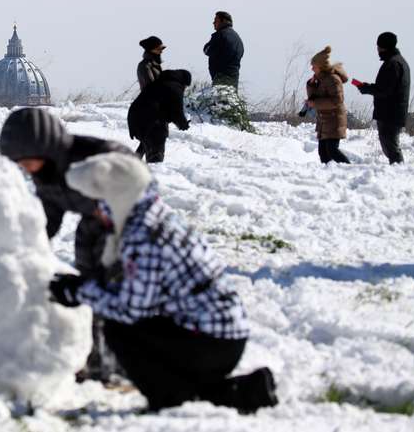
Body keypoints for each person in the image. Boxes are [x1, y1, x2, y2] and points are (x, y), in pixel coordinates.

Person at [49, 152, 278, 413]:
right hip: (220, 333)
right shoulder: (155, 214)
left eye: (99, 203)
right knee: (140, 331)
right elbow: (140, 293)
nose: (95, 213)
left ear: (117, 198)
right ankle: (245, 392)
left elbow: (130, 309)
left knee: (118, 329)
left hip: (211, 341)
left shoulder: (141, 235)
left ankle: (170, 400)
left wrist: (78, 291)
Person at [0, 107, 132, 383]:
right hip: (91, 227)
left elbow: (137, 186)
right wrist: (30, 246)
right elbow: (49, 215)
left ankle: (122, 361)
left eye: (26, 161)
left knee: (113, 290)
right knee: (89, 286)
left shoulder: (98, 156)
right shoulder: (44, 173)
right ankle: (95, 359)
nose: (24, 168)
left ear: (45, 150)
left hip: (124, 227)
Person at [354, 32, 411, 164]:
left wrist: (366, 88)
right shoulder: (397, 61)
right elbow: (386, 87)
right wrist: (367, 86)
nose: (377, 50)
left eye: (378, 46)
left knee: (391, 148)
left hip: (389, 114)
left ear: (383, 47)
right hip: (392, 113)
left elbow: (385, 90)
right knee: (390, 147)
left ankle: (399, 172)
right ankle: (398, 170)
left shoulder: (393, 64)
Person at [127, 69, 191, 163]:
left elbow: (167, 110)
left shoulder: (159, 83)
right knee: (156, 150)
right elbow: (177, 111)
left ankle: (131, 167)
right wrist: (183, 124)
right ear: (183, 82)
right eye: (186, 86)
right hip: (149, 121)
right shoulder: (175, 88)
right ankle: (155, 171)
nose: (185, 88)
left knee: (147, 142)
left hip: (135, 118)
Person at [306, 46, 351, 164]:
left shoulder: (332, 79)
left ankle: (350, 169)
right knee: (323, 153)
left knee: (332, 150)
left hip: (334, 119)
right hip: (325, 120)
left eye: (314, 66)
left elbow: (337, 100)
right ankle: (329, 174)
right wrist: (311, 86)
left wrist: (315, 103)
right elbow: (315, 97)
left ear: (321, 67)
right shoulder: (320, 79)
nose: (312, 69)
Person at [203, 11, 244, 89]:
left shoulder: (220, 35)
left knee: (219, 99)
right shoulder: (237, 38)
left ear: (223, 21)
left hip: (221, 78)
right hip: (234, 79)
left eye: (216, 20)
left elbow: (207, 50)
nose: (213, 23)